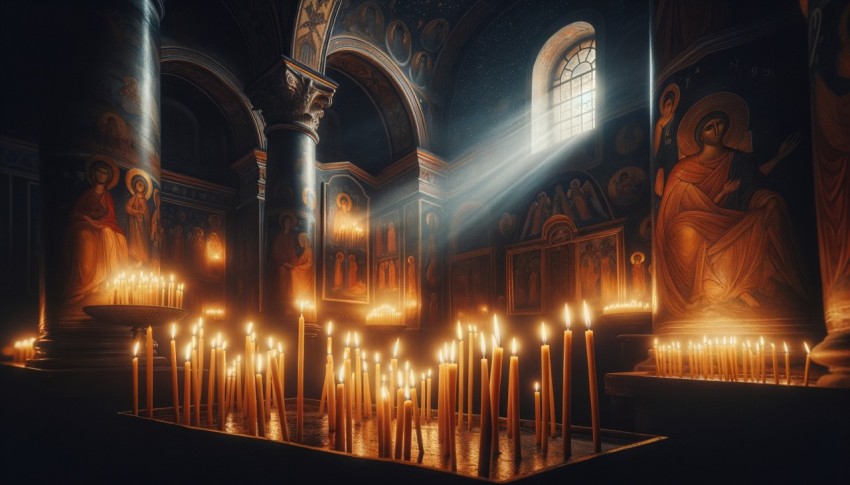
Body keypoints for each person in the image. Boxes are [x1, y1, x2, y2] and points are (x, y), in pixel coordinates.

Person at [655, 95, 806, 315]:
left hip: (731, 216)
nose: (716, 130)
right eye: (709, 127)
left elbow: (753, 181)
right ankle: (699, 293)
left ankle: (754, 284)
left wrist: (779, 157)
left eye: (719, 124)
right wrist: (721, 193)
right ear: (699, 135)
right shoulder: (683, 169)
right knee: (683, 229)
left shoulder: (737, 159)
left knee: (773, 202)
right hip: (700, 219)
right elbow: (672, 210)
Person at [65, 159, 129, 304]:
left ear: (108, 177)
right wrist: (90, 221)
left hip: (102, 226)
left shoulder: (108, 197)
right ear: (94, 174)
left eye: (104, 173)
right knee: (84, 237)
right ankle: (86, 285)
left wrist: (99, 224)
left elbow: (110, 217)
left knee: (109, 233)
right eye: (99, 172)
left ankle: (110, 279)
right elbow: (76, 213)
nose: (101, 175)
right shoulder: (87, 194)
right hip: (86, 226)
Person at [125, 171, 151, 266]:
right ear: (135, 186)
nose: (140, 186)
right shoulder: (133, 198)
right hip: (134, 223)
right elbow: (128, 207)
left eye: (142, 185)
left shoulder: (144, 200)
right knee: (135, 240)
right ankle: (135, 256)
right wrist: (136, 212)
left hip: (143, 224)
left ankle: (142, 257)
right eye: (138, 184)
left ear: (144, 188)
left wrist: (144, 215)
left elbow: (147, 213)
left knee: (143, 240)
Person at [272, 214, 297, 301]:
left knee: (293, 278)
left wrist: (292, 263)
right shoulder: (279, 236)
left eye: (289, 222)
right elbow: (276, 251)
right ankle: (282, 300)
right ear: (283, 223)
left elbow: (293, 251)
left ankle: (290, 300)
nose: (288, 224)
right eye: (286, 222)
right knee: (282, 279)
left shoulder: (292, 236)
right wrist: (283, 262)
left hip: (290, 263)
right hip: (281, 264)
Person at [286, 232, 313, 302]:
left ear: (306, 240)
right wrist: (292, 265)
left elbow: (309, 264)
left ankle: (299, 295)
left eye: (303, 240)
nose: (302, 241)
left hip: (306, 273)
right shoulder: (305, 251)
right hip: (301, 271)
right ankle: (296, 295)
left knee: (293, 272)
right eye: (301, 240)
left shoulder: (309, 251)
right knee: (292, 271)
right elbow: (299, 262)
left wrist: (296, 268)